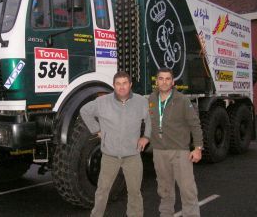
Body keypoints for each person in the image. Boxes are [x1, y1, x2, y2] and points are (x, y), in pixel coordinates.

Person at [80, 71, 151, 217]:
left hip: (133, 156)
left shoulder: (141, 102)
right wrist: (97, 130)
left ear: (130, 84)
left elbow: (150, 119)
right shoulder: (102, 102)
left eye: (125, 83)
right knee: (102, 191)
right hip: (109, 156)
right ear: (113, 86)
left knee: (134, 192)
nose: (122, 87)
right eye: (118, 84)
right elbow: (84, 111)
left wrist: (146, 137)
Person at [148, 67, 203, 217]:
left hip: (180, 152)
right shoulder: (151, 99)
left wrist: (198, 148)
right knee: (164, 190)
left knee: (187, 190)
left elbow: (195, 125)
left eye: (167, 79)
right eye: (161, 78)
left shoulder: (183, 100)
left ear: (173, 82)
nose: (164, 82)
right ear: (156, 81)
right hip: (159, 152)